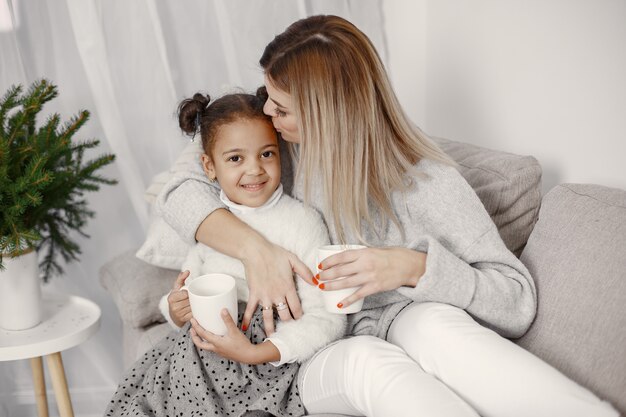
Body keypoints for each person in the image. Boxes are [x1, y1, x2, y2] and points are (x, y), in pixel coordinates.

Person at [156, 15, 618, 417]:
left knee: (437, 327)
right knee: (370, 364)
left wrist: (413, 267)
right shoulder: (273, 154)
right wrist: (257, 251)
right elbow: (178, 189)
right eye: (267, 97)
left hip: (402, 320)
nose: (265, 112)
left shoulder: (426, 182)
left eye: (280, 107)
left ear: (326, 114)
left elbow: (516, 301)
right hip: (319, 346)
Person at [106, 90, 345, 417]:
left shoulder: (301, 222)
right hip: (202, 353)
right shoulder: (212, 226)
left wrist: (260, 352)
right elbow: (183, 299)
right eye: (236, 158)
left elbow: (327, 318)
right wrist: (177, 309)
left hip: (265, 361)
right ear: (209, 166)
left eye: (266, 154)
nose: (254, 170)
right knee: (142, 395)